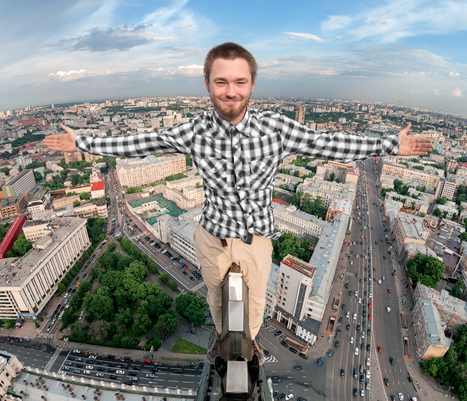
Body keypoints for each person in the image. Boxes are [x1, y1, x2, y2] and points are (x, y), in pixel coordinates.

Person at [43, 42, 433, 365]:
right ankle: (220, 338)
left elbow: (328, 143)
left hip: (255, 236)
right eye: (222, 82)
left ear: (252, 84)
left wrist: (388, 144)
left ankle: (252, 342)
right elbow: (138, 144)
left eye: (240, 82)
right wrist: (82, 141)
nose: (231, 91)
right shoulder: (193, 131)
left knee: (256, 306)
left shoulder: (275, 129)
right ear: (208, 84)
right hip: (211, 234)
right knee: (215, 298)